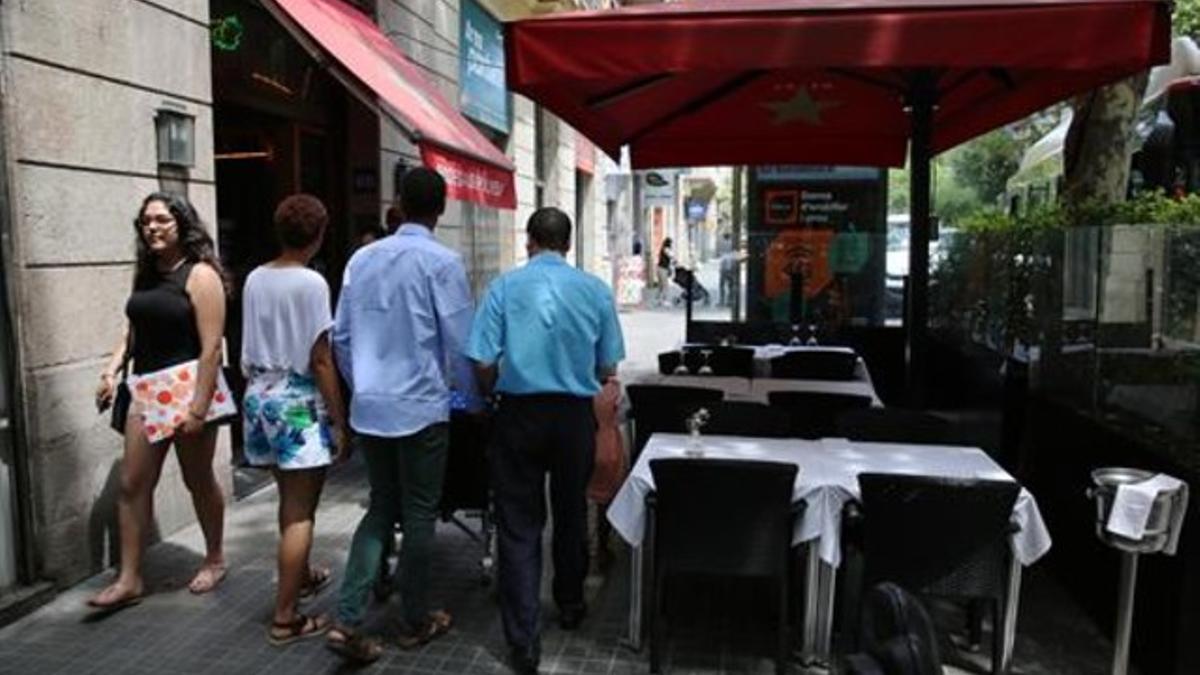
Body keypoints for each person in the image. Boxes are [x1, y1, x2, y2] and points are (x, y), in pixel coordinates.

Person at [326, 167, 482, 662]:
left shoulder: (362, 259)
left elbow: (341, 338)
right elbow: (460, 344)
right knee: (418, 514)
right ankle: (414, 620)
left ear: (398, 203)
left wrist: (363, 387)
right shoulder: (442, 261)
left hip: (371, 407)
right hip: (420, 408)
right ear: (441, 208)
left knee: (380, 507)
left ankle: (348, 618)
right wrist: (475, 402)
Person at [467, 207, 626, 675]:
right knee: (572, 510)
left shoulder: (502, 287)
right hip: (573, 416)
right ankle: (572, 603)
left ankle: (523, 641)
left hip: (517, 415)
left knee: (519, 525)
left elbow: (479, 360)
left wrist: (489, 391)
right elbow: (607, 367)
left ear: (530, 241)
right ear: (569, 244)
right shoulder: (595, 290)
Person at [90, 192, 229, 609]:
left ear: (182, 224)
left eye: (161, 220)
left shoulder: (200, 275)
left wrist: (198, 409)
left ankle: (215, 558)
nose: (151, 227)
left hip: (188, 390)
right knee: (133, 484)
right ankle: (129, 578)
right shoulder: (147, 274)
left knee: (197, 479)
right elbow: (134, 330)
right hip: (146, 390)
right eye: (145, 221)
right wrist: (112, 370)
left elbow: (211, 349)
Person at [240, 194, 350, 645]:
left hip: (258, 395)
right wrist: (341, 420)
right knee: (299, 512)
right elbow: (321, 358)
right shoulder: (311, 284)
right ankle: (286, 617)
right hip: (297, 399)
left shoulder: (254, 278)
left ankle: (300, 576)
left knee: (288, 498)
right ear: (319, 235)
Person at [718, 232, 740, 307]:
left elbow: (720, 253)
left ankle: (722, 301)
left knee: (722, 285)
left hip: (724, 268)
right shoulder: (732, 244)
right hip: (731, 267)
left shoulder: (722, 244)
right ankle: (729, 301)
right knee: (731, 285)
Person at [656, 237, 675, 307]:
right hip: (663, 269)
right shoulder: (666, 249)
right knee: (665, 286)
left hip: (659, 268)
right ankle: (664, 300)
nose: (672, 245)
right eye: (671, 243)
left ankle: (659, 300)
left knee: (661, 286)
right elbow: (671, 255)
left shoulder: (663, 248)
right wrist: (675, 260)